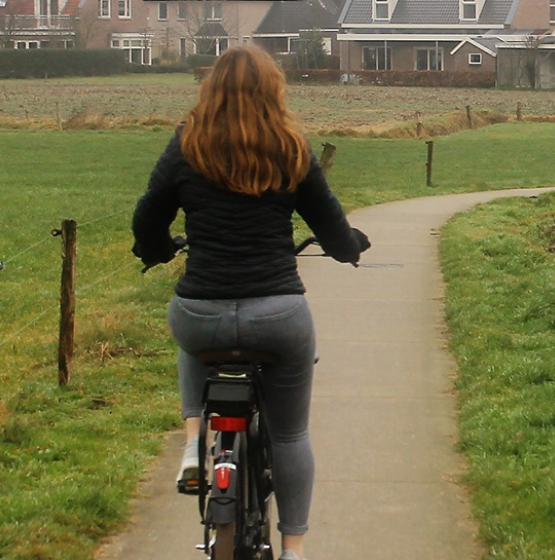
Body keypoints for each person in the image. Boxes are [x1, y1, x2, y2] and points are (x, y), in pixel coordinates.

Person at [131, 45, 369, 560]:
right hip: (277, 315)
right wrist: (349, 248)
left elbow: (148, 214)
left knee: (192, 332)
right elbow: (329, 223)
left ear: (210, 89)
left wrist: (153, 251)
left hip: (202, 313)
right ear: (272, 90)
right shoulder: (290, 146)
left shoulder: (186, 144)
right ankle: (295, 551)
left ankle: (196, 445)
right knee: (289, 435)